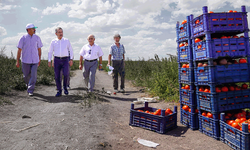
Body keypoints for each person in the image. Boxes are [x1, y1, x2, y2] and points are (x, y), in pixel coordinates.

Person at [16, 23, 43, 96]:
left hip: (35, 60)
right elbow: (19, 50)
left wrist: (39, 59)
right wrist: (17, 61)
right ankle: (28, 85)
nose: (34, 30)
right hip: (25, 60)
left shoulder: (37, 38)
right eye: (33, 28)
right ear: (28, 30)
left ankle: (30, 90)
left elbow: (39, 49)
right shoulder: (23, 38)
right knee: (26, 76)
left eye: (34, 28)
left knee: (33, 75)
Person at [48, 27, 74, 97]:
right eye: (59, 32)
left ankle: (65, 88)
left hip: (65, 60)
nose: (61, 33)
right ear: (56, 33)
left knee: (66, 74)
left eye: (61, 32)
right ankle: (59, 90)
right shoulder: (53, 41)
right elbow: (50, 51)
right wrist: (49, 60)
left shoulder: (66, 40)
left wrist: (71, 59)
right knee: (57, 76)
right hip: (56, 60)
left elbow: (70, 50)